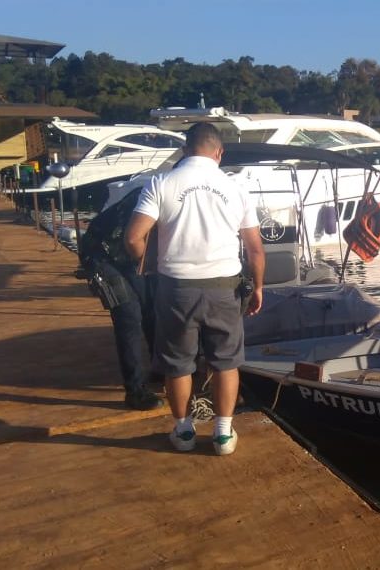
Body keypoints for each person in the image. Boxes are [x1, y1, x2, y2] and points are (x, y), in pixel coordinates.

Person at [124, 122, 264, 455]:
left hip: (175, 288)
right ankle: (223, 434)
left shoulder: (161, 183)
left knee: (177, 363)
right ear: (219, 153)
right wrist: (258, 287)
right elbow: (256, 249)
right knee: (225, 362)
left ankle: (184, 431)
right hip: (225, 287)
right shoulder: (236, 189)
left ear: (185, 150)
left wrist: (150, 263)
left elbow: (132, 237)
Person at [78, 189, 164, 411]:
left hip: (132, 255)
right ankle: (135, 391)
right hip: (102, 254)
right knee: (129, 316)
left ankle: (160, 367)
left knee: (152, 310)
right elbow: (133, 239)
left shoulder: (174, 194)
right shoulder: (157, 194)